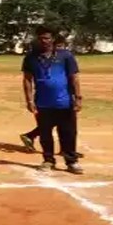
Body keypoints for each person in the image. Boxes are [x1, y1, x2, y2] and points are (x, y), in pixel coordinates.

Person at [21, 26, 83, 174]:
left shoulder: (65, 56)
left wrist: (78, 98)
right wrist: (29, 101)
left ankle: (71, 161)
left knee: (68, 133)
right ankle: (48, 160)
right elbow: (27, 80)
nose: (44, 41)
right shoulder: (31, 58)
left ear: (53, 39)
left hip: (65, 102)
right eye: (41, 38)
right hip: (43, 102)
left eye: (47, 38)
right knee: (45, 134)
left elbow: (74, 78)